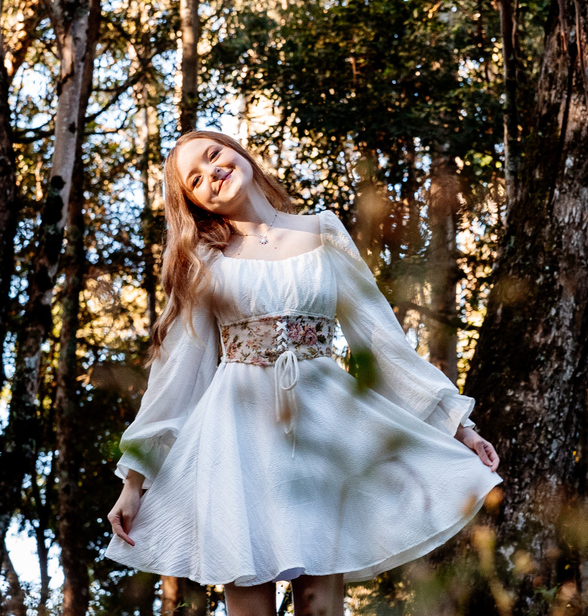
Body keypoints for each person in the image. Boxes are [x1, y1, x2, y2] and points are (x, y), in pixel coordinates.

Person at [105, 130, 503, 616]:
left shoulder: (323, 231)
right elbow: (175, 375)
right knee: (249, 600)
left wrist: (456, 425)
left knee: (320, 605)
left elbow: (379, 341)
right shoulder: (203, 260)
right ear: (193, 201)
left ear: (238, 151)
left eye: (214, 155)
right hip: (236, 437)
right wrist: (134, 481)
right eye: (196, 179)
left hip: (323, 429)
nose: (212, 172)